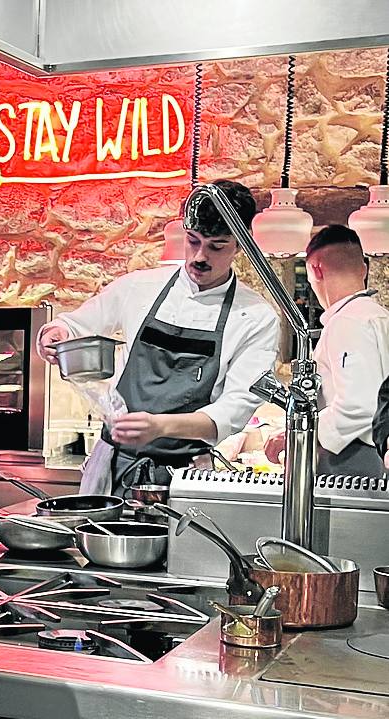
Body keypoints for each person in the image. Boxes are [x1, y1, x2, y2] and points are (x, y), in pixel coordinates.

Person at [37, 180, 280, 495]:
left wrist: (160, 426)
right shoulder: (139, 287)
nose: (199, 257)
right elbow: (78, 324)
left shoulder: (256, 317)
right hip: (113, 466)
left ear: (241, 244)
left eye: (216, 246)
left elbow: (233, 411)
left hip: (185, 478)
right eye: (192, 241)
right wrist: (56, 333)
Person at [263, 225, 389, 476]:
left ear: (316, 270)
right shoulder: (379, 316)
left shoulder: (348, 323)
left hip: (357, 463)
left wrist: (299, 434)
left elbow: (358, 406)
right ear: (363, 268)